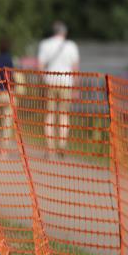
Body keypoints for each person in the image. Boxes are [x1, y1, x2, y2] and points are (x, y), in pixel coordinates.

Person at [37, 20, 80, 156]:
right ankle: (62, 144)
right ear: (64, 32)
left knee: (49, 114)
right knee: (64, 114)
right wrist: (76, 88)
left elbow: (40, 66)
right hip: (66, 82)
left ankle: (50, 148)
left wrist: (42, 82)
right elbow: (75, 68)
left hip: (50, 81)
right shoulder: (71, 46)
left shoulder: (45, 44)